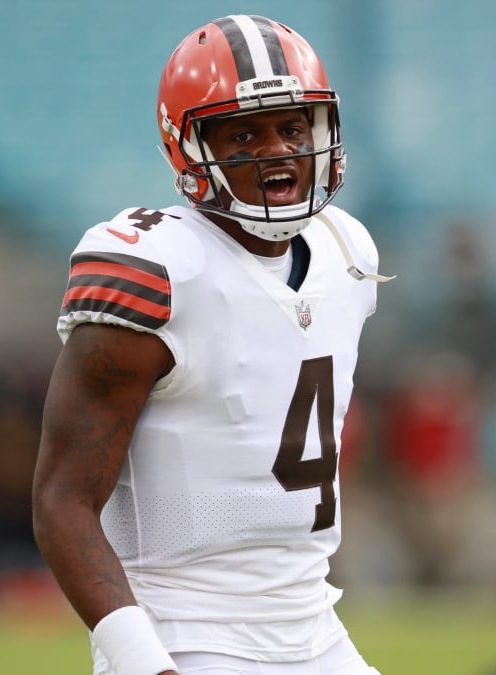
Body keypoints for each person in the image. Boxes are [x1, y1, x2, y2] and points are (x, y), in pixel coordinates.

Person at [32, 15, 389, 675]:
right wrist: (144, 660)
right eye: (244, 132)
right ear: (191, 148)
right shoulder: (159, 270)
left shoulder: (348, 251)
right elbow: (62, 498)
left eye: (291, 125)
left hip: (315, 623)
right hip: (186, 631)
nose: (279, 149)